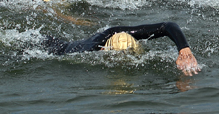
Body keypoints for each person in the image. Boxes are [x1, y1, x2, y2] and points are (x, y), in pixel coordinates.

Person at [40, 22, 201, 76]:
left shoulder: (115, 32)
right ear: (104, 51)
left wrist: (184, 49)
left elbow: (168, 26)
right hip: (50, 45)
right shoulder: (85, 53)